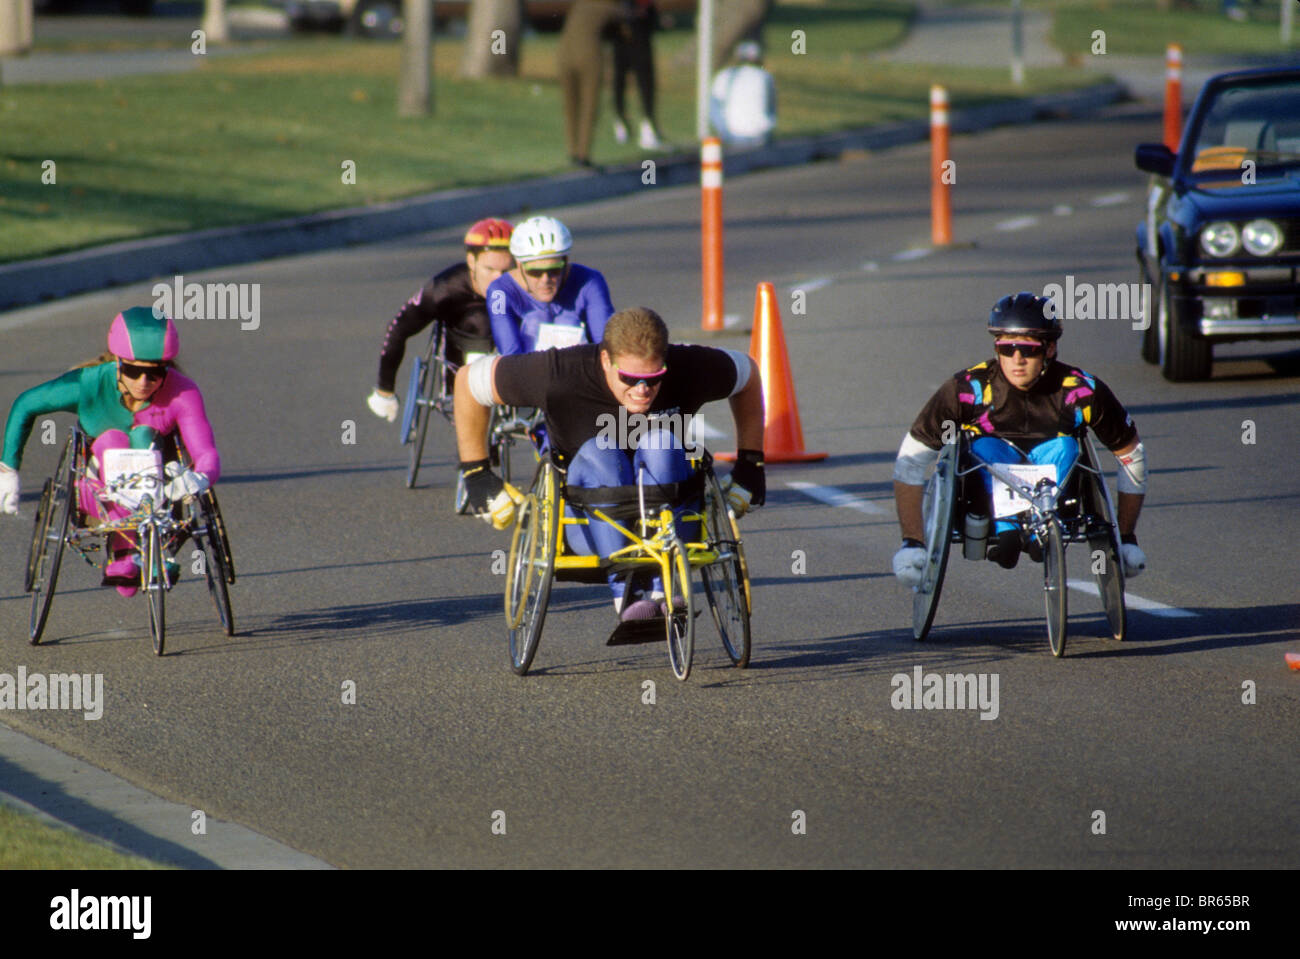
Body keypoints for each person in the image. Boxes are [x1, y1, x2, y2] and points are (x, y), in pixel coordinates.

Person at [453, 306, 766, 621]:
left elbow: (749, 374)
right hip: (586, 523)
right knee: (603, 449)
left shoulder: (690, 367)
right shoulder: (560, 372)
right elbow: (467, 381)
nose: (642, 390)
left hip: (675, 519)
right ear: (605, 361)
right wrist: (476, 472)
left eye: (653, 378)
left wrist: (750, 467)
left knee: (661, 440)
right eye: (629, 378)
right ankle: (627, 592)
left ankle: (664, 587)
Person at [891, 292, 1148, 584]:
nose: (1017, 359)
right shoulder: (967, 389)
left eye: (1028, 350)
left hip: (1057, 477)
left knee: (1065, 445)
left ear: (1050, 349)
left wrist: (1126, 537)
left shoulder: (1082, 391)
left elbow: (1132, 456)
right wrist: (913, 542)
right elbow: (910, 462)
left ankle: (1043, 526)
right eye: (1006, 348)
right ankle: (1007, 529)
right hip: (985, 477)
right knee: (985, 446)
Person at [0, 307, 221, 597]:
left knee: (143, 434)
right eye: (133, 370)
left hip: (159, 491)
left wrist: (201, 478)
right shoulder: (87, 384)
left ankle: (137, 552)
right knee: (113, 438)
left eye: (154, 373)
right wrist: (8, 469)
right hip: (96, 490)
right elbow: (25, 404)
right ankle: (126, 552)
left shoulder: (183, 393)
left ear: (167, 367)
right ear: (118, 363)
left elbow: (205, 452)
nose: (143, 382)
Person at [366, 218, 514, 423]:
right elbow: (398, 328)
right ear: (471, 261)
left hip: (510, 356)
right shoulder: (443, 288)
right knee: (479, 320)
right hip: (461, 351)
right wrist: (385, 389)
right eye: (489, 269)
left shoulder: (530, 281)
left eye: (506, 271)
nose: (498, 279)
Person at [486, 215, 615, 357]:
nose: (545, 280)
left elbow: (606, 348)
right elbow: (509, 354)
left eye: (554, 270)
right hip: (525, 370)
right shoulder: (499, 292)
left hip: (579, 369)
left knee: (568, 321)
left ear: (566, 262)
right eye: (535, 272)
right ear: (519, 265)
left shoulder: (591, 281)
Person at [558, 0, 625, 168]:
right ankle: (583, 153)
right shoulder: (611, 7)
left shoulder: (579, 5)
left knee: (570, 106)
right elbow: (625, 26)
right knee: (590, 104)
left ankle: (572, 151)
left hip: (563, 54)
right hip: (589, 55)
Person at [611, 0, 666, 151]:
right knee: (622, 80)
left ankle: (647, 123)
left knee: (644, 81)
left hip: (638, 29)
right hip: (626, 31)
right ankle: (622, 121)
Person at [709, 40, 776, 149]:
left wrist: (724, 132)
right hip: (761, 134)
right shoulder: (765, 76)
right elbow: (772, 108)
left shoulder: (724, 75)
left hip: (733, 134)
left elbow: (713, 109)